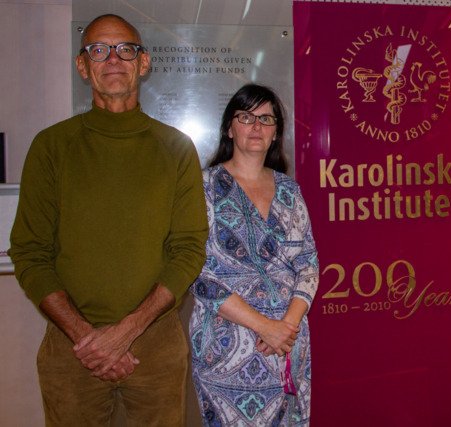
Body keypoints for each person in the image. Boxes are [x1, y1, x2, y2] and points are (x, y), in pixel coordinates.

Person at [9, 14, 207, 425]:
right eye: (99, 49)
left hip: (155, 346)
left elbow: (188, 250)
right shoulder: (52, 147)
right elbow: (30, 252)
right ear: (83, 66)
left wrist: (125, 332)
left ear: (143, 63)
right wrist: (88, 338)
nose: (113, 59)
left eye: (126, 49)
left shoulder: (176, 148)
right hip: (72, 349)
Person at [190, 83, 319, 426]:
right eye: (246, 117)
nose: (257, 126)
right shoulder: (202, 187)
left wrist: (286, 327)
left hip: (288, 345)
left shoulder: (290, 189)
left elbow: (308, 264)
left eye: (266, 119)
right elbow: (198, 274)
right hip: (227, 346)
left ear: (276, 133)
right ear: (230, 128)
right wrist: (265, 326)